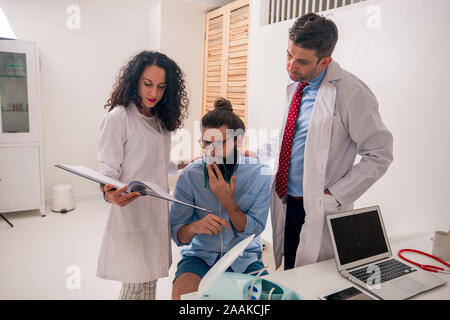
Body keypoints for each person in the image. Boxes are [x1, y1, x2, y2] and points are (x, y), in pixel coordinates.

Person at [250, 13, 393, 270]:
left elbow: (379, 154)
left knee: (316, 280)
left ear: (325, 61)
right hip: (287, 201)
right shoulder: (297, 88)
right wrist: (257, 153)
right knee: (292, 271)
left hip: (319, 205)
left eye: (301, 61)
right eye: (289, 55)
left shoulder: (352, 93)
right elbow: (292, 136)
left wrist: (335, 195)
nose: (291, 66)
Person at [97, 50, 192, 299]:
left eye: (161, 87)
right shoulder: (118, 118)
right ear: (135, 81)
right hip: (131, 211)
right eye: (147, 84)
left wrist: (186, 163)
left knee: (149, 283)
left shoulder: (161, 121)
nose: (153, 94)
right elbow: (108, 171)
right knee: (133, 287)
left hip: (157, 212)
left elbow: (157, 164)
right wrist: (110, 196)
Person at [170, 98, 272, 300]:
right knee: (183, 296)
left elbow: (256, 229)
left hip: (245, 259)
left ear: (238, 141)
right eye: (206, 143)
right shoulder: (191, 176)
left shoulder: (259, 173)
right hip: (199, 258)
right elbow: (179, 235)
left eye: (218, 144)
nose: (211, 152)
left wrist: (228, 201)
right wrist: (194, 227)